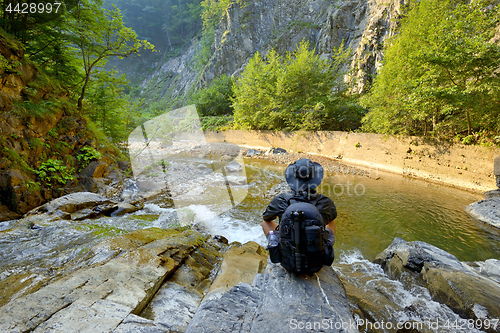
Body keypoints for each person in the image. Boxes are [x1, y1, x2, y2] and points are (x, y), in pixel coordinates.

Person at [262, 158, 336, 246]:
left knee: (265, 223)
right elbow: (331, 218)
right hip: (316, 253)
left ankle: (275, 243)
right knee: (331, 220)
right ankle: (326, 246)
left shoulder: (281, 200)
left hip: (287, 254)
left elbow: (266, 218)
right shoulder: (325, 202)